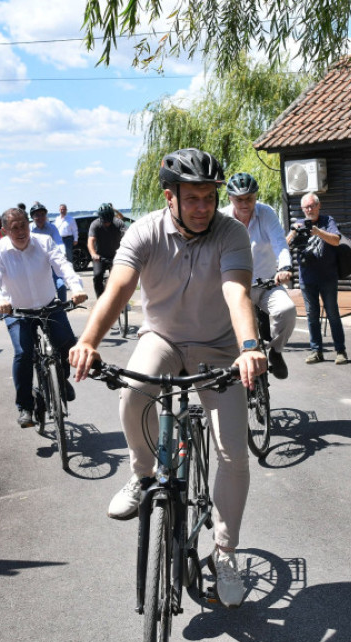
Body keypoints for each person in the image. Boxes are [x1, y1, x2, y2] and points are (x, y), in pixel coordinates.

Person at [69, 148, 266, 609]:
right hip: (163, 337)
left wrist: (250, 348)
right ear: (169, 197)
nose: (202, 207)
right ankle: (142, 474)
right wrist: (90, 340)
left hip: (218, 346)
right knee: (134, 395)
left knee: (232, 452)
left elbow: (236, 291)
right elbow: (119, 287)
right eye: (192, 197)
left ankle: (225, 553)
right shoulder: (144, 231)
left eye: (209, 197)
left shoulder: (231, 232)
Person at [0, 207, 88, 428]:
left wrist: (76, 288)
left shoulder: (44, 242)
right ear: (4, 231)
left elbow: (62, 266)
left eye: (23, 225)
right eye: (14, 228)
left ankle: (61, 379)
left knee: (68, 343)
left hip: (49, 305)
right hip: (17, 311)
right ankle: (25, 407)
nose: (21, 231)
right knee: (23, 354)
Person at [220, 172, 295, 379]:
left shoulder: (266, 213)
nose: (245, 204)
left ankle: (276, 352)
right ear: (230, 198)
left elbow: (280, 242)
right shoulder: (222, 219)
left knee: (287, 311)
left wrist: (284, 267)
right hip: (234, 287)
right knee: (219, 325)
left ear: (256, 196)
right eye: (239, 199)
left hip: (266, 283)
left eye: (250, 198)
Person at [287, 192, 347, 365]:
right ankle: (316, 351)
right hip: (307, 278)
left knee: (333, 314)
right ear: (302, 209)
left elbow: (336, 240)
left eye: (312, 205)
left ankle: (341, 350)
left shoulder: (327, 221)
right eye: (306, 207)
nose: (310, 209)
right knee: (311, 316)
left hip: (328, 276)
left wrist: (317, 231)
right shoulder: (297, 224)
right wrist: (294, 232)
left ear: (319, 206)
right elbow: (284, 245)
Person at [87, 202, 126, 301]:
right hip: (100, 256)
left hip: (116, 256)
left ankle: (121, 299)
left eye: (109, 221)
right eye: (105, 221)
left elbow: (127, 236)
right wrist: (93, 254)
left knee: (119, 278)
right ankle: (100, 300)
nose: (107, 223)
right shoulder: (95, 224)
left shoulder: (118, 222)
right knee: (97, 276)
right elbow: (90, 241)